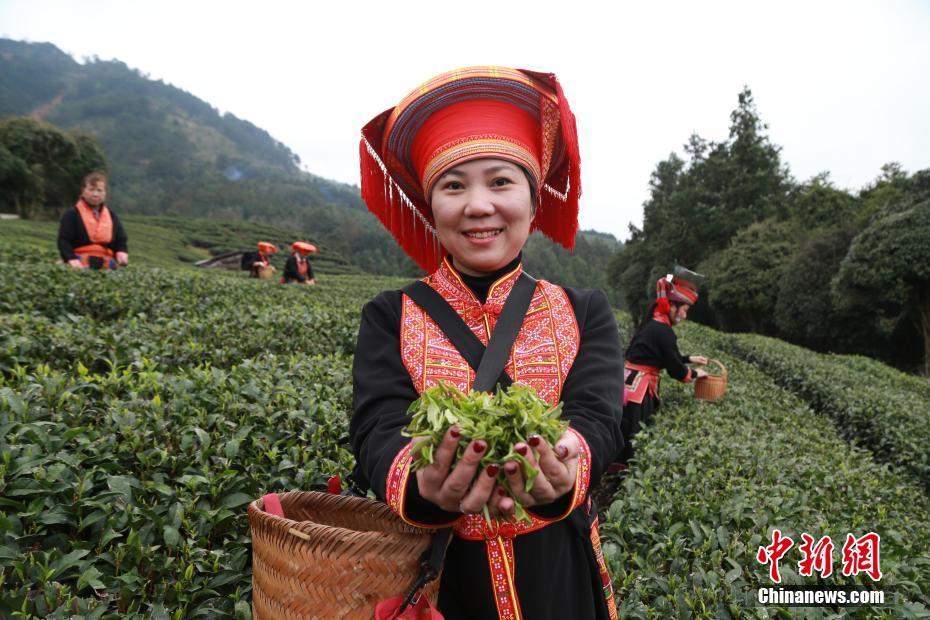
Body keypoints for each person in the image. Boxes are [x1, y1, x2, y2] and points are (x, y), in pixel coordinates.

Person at [350, 66, 623, 620]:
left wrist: (568, 461)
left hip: (558, 573)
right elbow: (377, 430)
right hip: (441, 578)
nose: (478, 206)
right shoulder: (390, 315)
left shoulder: (583, 311)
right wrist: (423, 481)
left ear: (532, 197)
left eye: (500, 181)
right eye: (453, 186)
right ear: (431, 208)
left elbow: (600, 419)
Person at [618, 268, 709, 465]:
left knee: (624, 433)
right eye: (684, 310)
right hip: (640, 389)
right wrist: (695, 373)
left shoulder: (652, 323)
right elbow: (675, 369)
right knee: (634, 437)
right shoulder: (663, 331)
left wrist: (689, 358)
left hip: (628, 381)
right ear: (673, 306)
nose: (684, 316)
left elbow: (661, 355)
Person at [57, 171, 129, 270]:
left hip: (106, 264)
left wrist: (121, 253)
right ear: (83, 191)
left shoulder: (112, 216)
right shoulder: (72, 214)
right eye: (91, 190)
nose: (95, 194)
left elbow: (121, 240)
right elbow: (64, 240)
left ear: (105, 193)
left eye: (99, 190)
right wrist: (71, 259)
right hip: (80, 263)